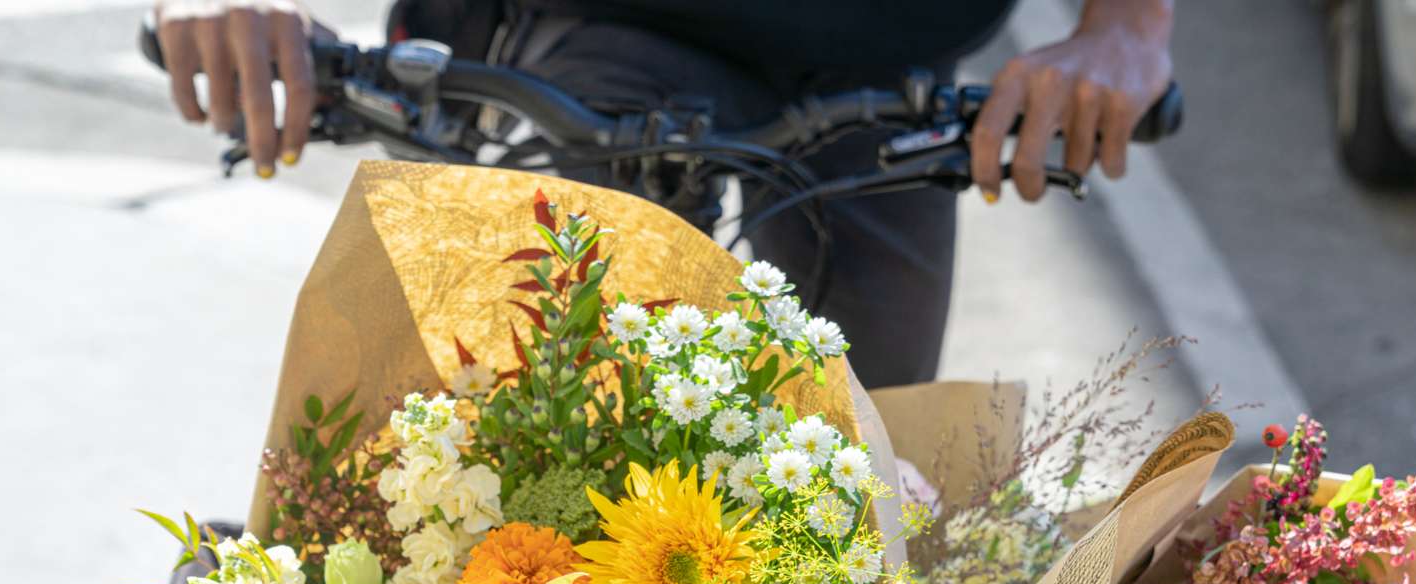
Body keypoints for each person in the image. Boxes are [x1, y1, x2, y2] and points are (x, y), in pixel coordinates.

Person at [152, 0, 1175, 386]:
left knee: (877, 517)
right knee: (474, 460)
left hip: (884, 64)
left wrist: (1127, 24)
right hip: (590, 38)